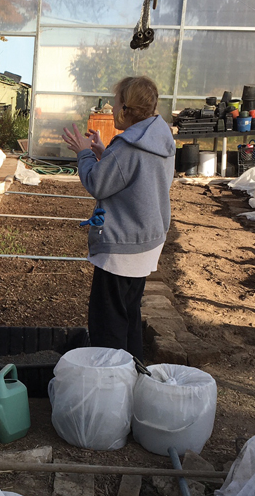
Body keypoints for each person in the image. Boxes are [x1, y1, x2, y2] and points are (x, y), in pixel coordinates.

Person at [61, 75, 174, 360]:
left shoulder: (127, 148)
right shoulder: (159, 138)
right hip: (146, 243)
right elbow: (135, 177)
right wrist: (105, 153)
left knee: (107, 324)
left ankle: (111, 383)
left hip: (121, 249)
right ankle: (132, 374)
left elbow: (98, 183)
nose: (111, 110)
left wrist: (85, 154)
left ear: (126, 109)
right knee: (129, 315)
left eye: (115, 104)